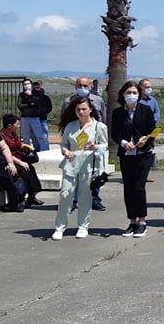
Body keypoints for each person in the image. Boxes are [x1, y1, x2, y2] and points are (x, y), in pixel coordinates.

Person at [53, 97, 108, 240]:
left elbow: (104, 145)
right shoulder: (71, 126)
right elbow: (64, 144)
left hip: (88, 165)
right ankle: (60, 227)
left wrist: (96, 147)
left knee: (85, 196)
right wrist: (65, 151)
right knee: (65, 195)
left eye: (84, 109)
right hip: (71, 164)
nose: (81, 112)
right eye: (78, 109)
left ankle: (83, 226)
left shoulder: (99, 127)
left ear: (90, 109)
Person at [111, 80, 156, 238]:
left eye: (134, 93)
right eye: (128, 92)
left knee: (138, 187)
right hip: (126, 154)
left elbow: (153, 130)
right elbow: (115, 134)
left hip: (143, 154)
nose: (131, 95)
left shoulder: (146, 110)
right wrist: (124, 143)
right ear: (123, 94)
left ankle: (142, 222)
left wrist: (145, 139)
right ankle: (132, 221)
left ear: (139, 95)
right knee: (128, 188)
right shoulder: (118, 113)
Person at [62, 76, 107, 211]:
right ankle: (73, 200)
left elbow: (103, 118)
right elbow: (64, 119)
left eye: (85, 86)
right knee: (74, 174)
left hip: (92, 142)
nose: (82, 88)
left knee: (93, 172)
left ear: (90, 87)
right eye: (79, 85)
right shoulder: (68, 101)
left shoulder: (98, 100)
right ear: (75, 86)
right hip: (75, 140)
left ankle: (95, 199)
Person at [0, 114, 43, 208]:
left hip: (20, 157)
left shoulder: (14, 134)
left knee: (31, 169)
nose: (19, 126)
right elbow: (6, 152)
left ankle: (32, 195)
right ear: (10, 125)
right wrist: (20, 162)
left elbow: (18, 144)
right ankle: (21, 197)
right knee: (23, 171)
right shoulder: (1, 135)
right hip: (10, 160)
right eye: (17, 124)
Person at [138, 78, 160, 183]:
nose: (149, 89)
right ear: (141, 88)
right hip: (139, 130)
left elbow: (157, 113)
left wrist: (151, 121)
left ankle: (145, 175)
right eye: (146, 87)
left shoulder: (153, 100)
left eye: (150, 87)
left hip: (151, 130)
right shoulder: (137, 100)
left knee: (149, 151)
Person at [17, 78, 47, 152]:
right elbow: (20, 105)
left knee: (40, 136)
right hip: (24, 118)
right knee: (26, 137)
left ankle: (44, 151)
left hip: (34, 118)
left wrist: (31, 96)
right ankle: (27, 151)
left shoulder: (37, 93)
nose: (27, 85)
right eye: (25, 84)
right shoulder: (21, 95)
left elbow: (37, 103)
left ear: (31, 84)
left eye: (28, 84)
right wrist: (30, 104)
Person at [32, 81, 53, 151]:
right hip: (32, 118)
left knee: (44, 135)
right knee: (34, 135)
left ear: (41, 85)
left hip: (42, 119)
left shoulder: (45, 97)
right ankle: (37, 149)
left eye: (38, 85)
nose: (36, 86)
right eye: (35, 85)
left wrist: (43, 113)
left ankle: (45, 150)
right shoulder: (31, 96)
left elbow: (49, 107)